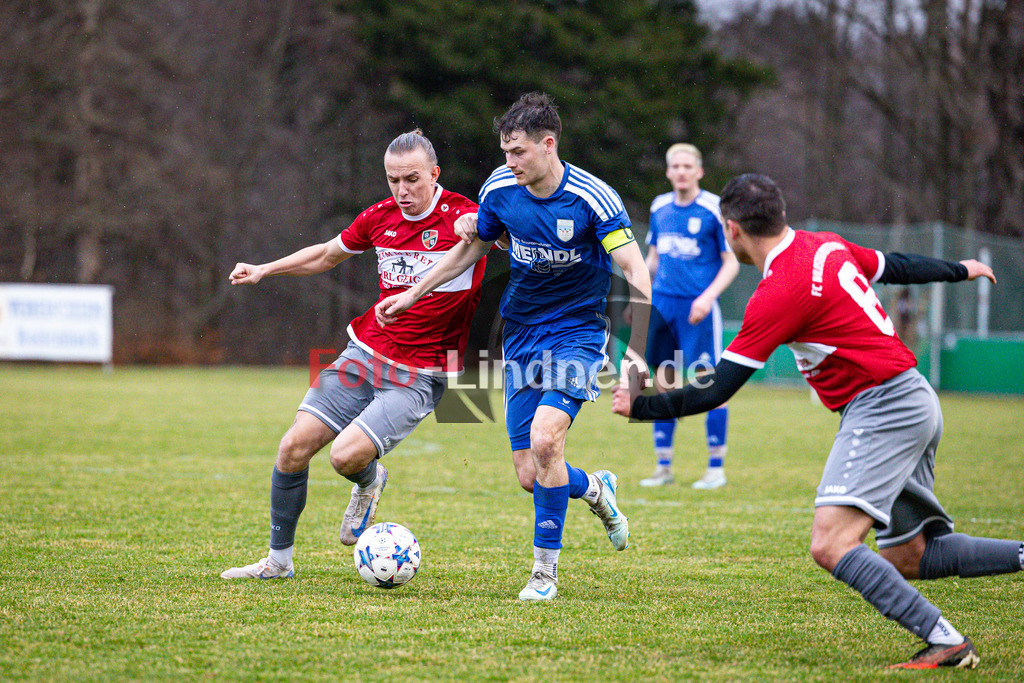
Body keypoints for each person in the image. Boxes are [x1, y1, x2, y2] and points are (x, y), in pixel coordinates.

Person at [613, 173, 1021, 669]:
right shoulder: (824, 244)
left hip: (884, 407)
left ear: (732, 229)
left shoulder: (780, 290)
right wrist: (959, 269)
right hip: (913, 398)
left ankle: (947, 641)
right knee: (910, 555)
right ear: (780, 214)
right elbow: (894, 266)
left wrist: (640, 406)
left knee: (831, 544)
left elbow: (717, 388)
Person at [376, 92, 652, 601]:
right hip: (521, 334)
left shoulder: (592, 199)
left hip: (577, 333)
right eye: (505, 151)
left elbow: (635, 268)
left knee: (547, 440)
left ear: (548, 145)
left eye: (518, 151)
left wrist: (636, 352)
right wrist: (413, 293)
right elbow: (473, 248)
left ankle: (544, 574)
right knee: (531, 474)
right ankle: (595, 488)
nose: (509, 161)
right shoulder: (501, 187)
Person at [221, 130, 488, 580]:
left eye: (412, 179)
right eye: (393, 180)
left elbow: (510, 238)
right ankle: (278, 562)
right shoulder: (380, 217)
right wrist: (265, 268)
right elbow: (327, 255)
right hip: (364, 353)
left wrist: (484, 226)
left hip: (421, 373)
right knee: (292, 448)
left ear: (434, 174)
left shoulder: (467, 217)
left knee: (344, 458)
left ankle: (369, 479)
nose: (402, 190)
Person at [641, 143, 739, 489]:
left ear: (699, 171)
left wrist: (708, 297)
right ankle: (663, 467)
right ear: (668, 172)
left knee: (708, 384)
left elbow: (731, 262)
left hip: (698, 309)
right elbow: (653, 259)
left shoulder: (714, 209)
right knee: (663, 384)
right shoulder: (660, 207)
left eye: (687, 166)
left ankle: (716, 468)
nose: (681, 172)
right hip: (664, 307)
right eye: (676, 166)